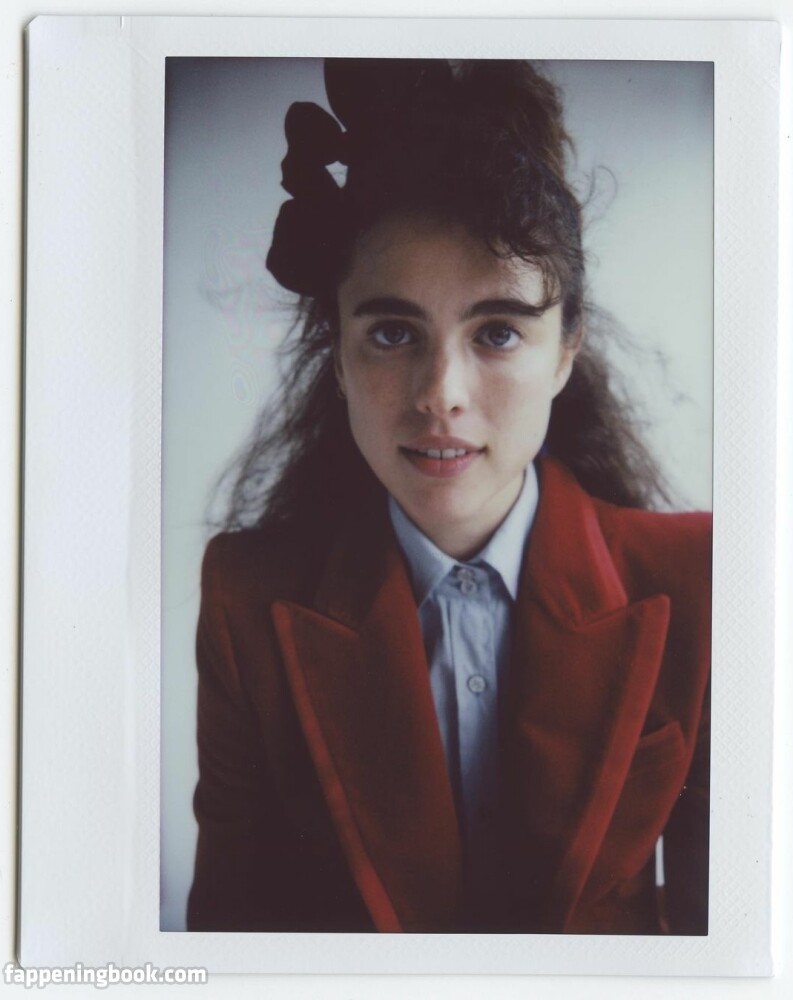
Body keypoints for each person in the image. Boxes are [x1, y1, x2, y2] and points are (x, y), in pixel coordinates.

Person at [186, 58, 711, 935]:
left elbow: (728, 953)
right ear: (336, 355)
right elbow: (229, 942)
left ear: (566, 348)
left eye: (497, 332)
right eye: (393, 333)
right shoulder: (247, 599)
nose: (441, 395)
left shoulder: (700, 577)